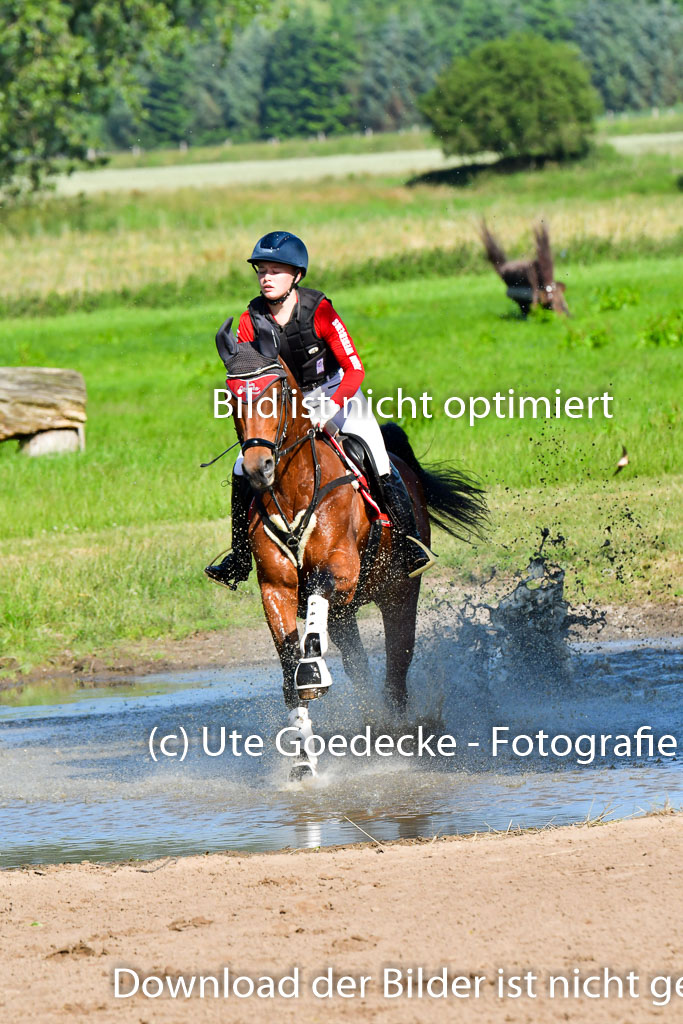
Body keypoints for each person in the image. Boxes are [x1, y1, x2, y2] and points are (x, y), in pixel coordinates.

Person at [205, 230, 432, 588]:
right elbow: (251, 375)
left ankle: (409, 544)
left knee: (376, 452)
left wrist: (329, 408)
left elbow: (355, 369)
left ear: (296, 275)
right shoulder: (250, 320)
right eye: (261, 270)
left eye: (276, 270)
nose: (266, 277)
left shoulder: (319, 310)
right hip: (286, 404)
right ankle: (238, 556)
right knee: (240, 469)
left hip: (335, 393)